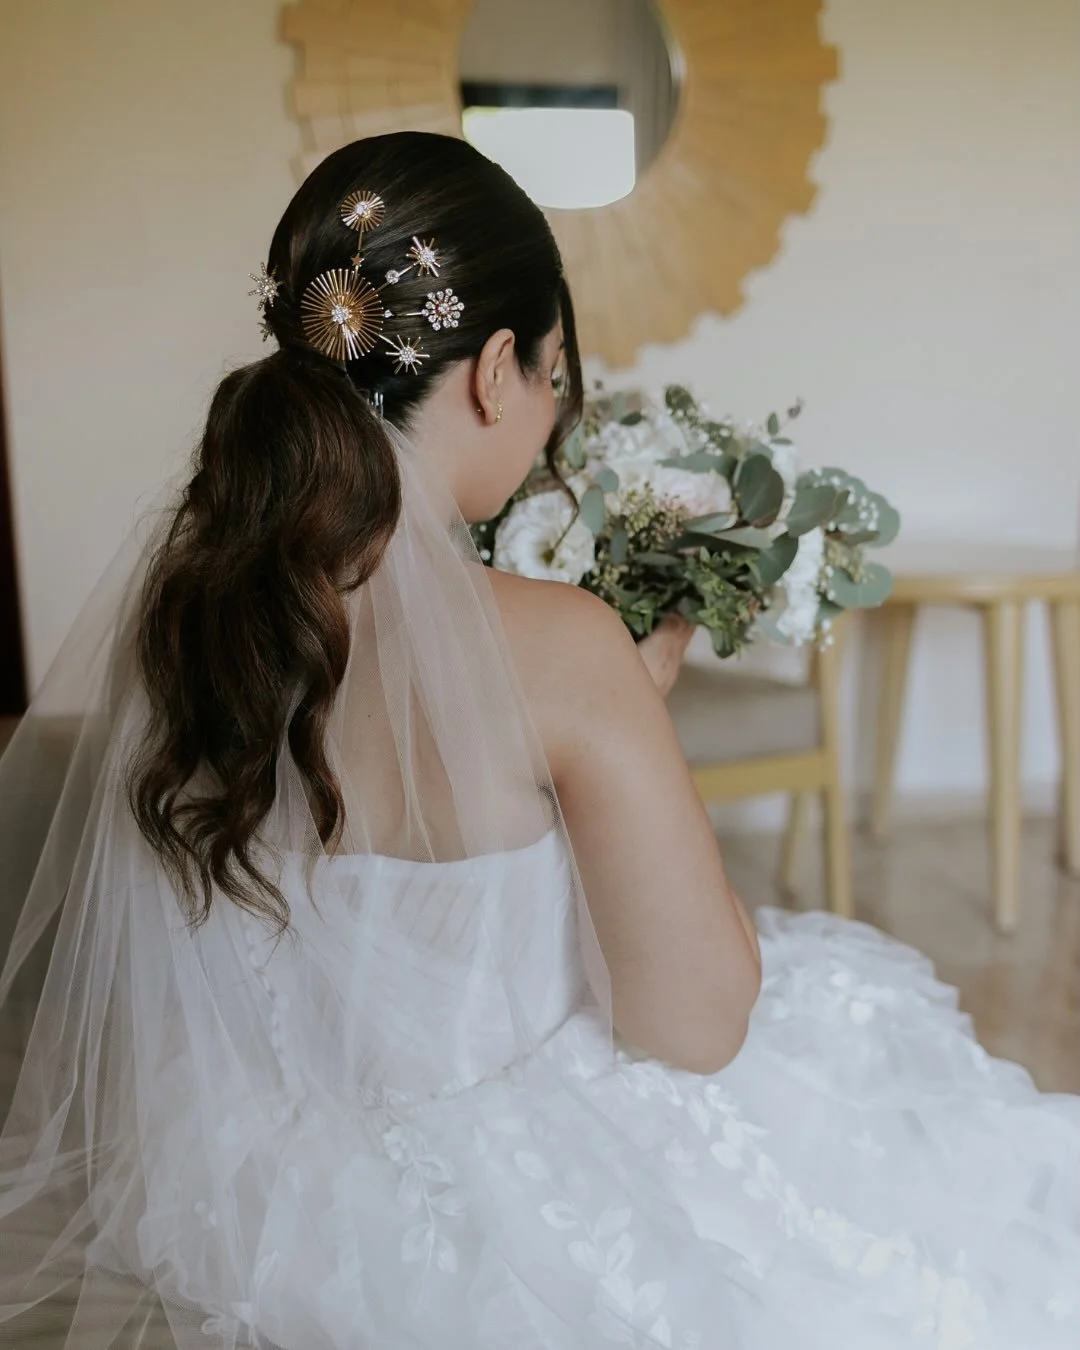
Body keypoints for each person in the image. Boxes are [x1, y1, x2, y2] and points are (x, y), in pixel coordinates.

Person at [0, 131, 1077, 1350]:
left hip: (267, 1191)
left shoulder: (193, 614)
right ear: (496, 368)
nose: (555, 411)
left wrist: (618, 715)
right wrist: (617, 703)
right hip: (523, 1207)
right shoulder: (560, 643)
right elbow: (695, 1025)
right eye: (556, 371)